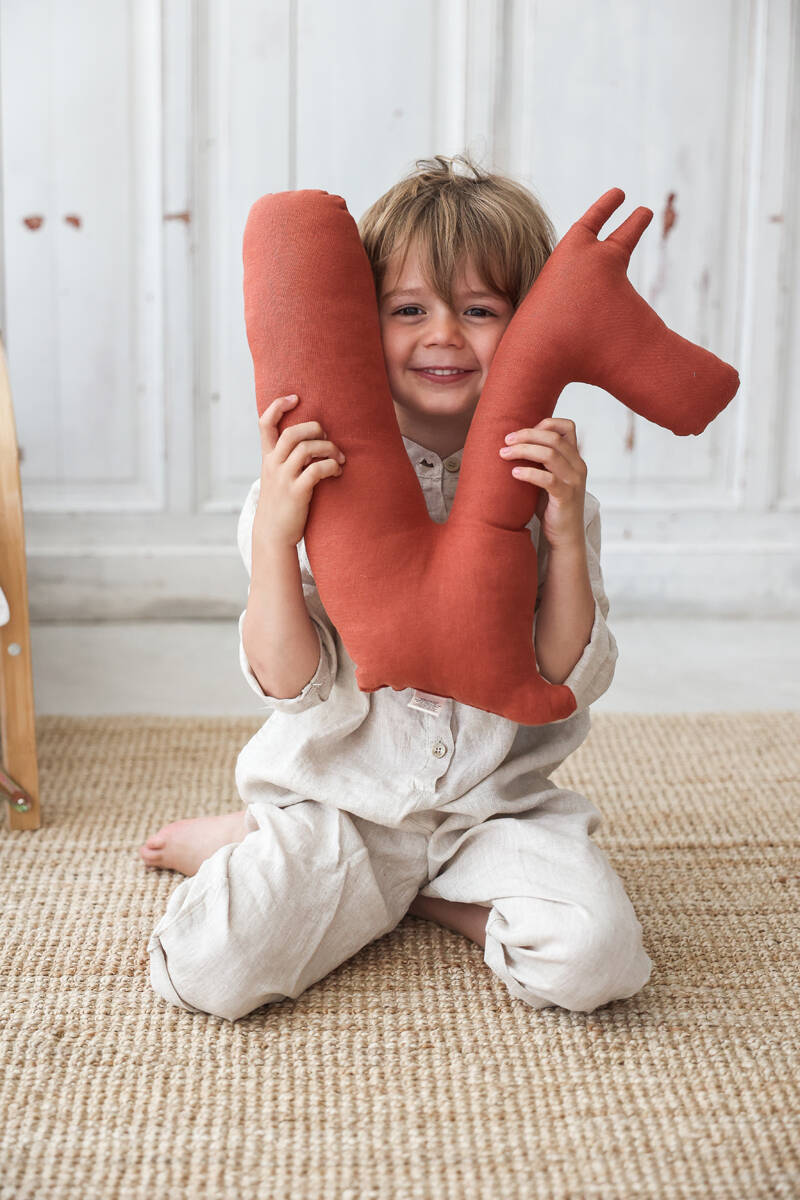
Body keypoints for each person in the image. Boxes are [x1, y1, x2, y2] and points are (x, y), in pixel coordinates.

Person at [140, 153, 653, 1022]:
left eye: (481, 310)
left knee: (597, 963)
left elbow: (567, 678)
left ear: (531, 325)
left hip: (499, 812)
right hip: (340, 809)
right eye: (408, 309)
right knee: (202, 971)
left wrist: (562, 531)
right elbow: (291, 686)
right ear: (356, 323)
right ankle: (265, 843)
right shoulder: (310, 486)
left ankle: (415, 895)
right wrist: (275, 537)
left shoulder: (550, 486)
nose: (444, 333)